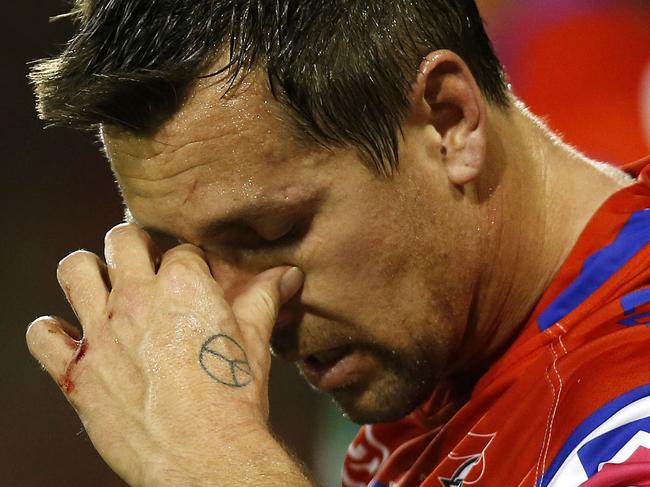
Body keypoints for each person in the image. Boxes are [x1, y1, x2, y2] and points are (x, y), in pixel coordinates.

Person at [25, 1, 650, 486]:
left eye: (274, 233)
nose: (237, 312)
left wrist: (215, 461)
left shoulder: (630, 412)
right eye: (188, 258)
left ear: (448, 122)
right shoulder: (439, 347)